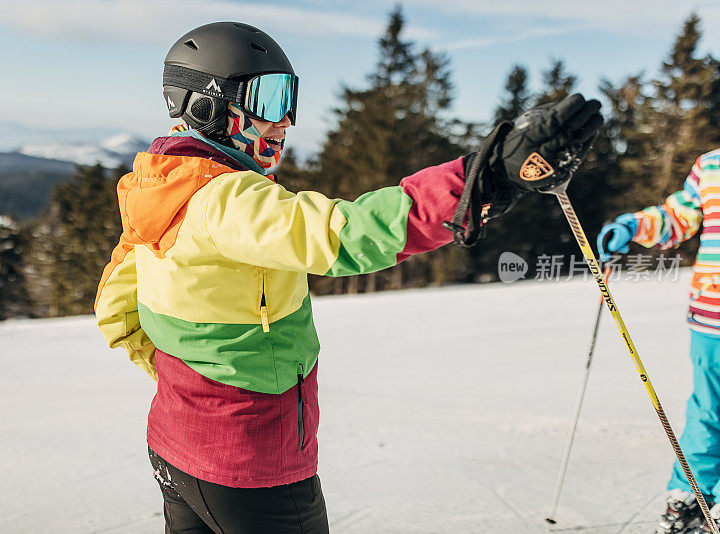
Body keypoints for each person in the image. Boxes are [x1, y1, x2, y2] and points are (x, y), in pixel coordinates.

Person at [95, 21, 603, 534]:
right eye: (269, 99)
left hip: (177, 449)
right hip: (248, 464)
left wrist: (188, 382)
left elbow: (115, 308)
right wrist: (485, 177)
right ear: (206, 105)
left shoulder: (159, 189)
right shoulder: (226, 202)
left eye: (290, 98)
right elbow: (346, 234)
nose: (286, 121)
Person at [599, 149, 720, 533]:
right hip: (711, 314)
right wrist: (633, 226)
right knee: (707, 409)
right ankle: (692, 494)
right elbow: (679, 216)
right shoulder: (711, 165)